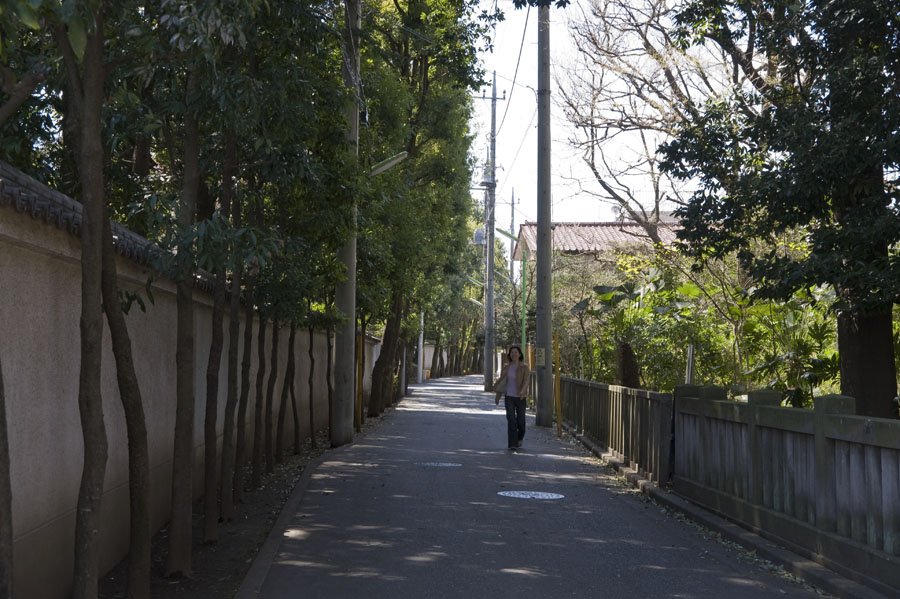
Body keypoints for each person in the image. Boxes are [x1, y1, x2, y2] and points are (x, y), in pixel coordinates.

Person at [493, 345, 531, 450]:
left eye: (516, 352)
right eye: (512, 352)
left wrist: (523, 392)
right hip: (509, 396)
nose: (514, 354)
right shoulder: (506, 367)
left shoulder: (525, 367)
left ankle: (519, 438)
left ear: (519, 354)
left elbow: (526, 381)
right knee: (511, 419)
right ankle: (512, 444)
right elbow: (502, 383)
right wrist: (498, 396)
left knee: (521, 421)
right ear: (509, 355)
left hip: (520, 397)